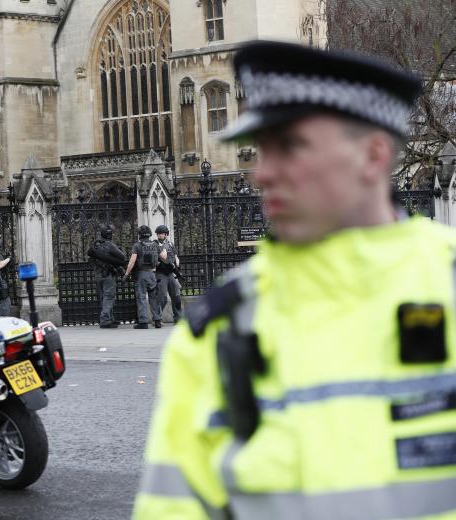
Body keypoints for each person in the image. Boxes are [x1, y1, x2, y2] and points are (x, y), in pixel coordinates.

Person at [134, 41, 456, 518]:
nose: (261, 172)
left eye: (290, 146)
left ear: (372, 154)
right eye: (261, 149)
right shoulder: (219, 331)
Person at [123, 225, 166, 329]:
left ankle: (143, 322)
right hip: (152, 274)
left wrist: (126, 274)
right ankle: (157, 320)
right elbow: (164, 257)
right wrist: (164, 248)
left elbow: (132, 261)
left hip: (141, 274)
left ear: (140, 235)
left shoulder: (137, 246)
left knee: (141, 297)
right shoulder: (155, 245)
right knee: (154, 298)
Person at [88, 224, 127, 328]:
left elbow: (91, 258)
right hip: (107, 274)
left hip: (98, 274)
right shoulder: (109, 245)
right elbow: (123, 258)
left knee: (104, 297)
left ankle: (110, 318)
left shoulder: (95, 245)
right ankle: (105, 320)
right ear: (109, 234)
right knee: (109, 296)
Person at [153, 225, 182, 324]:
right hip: (160, 272)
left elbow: (175, 256)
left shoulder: (170, 244)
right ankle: (157, 318)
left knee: (176, 295)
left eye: (161, 233)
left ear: (166, 234)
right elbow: (158, 258)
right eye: (158, 233)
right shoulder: (155, 244)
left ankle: (178, 318)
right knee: (162, 297)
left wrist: (177, 265)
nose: (160, 235)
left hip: (170, 272)